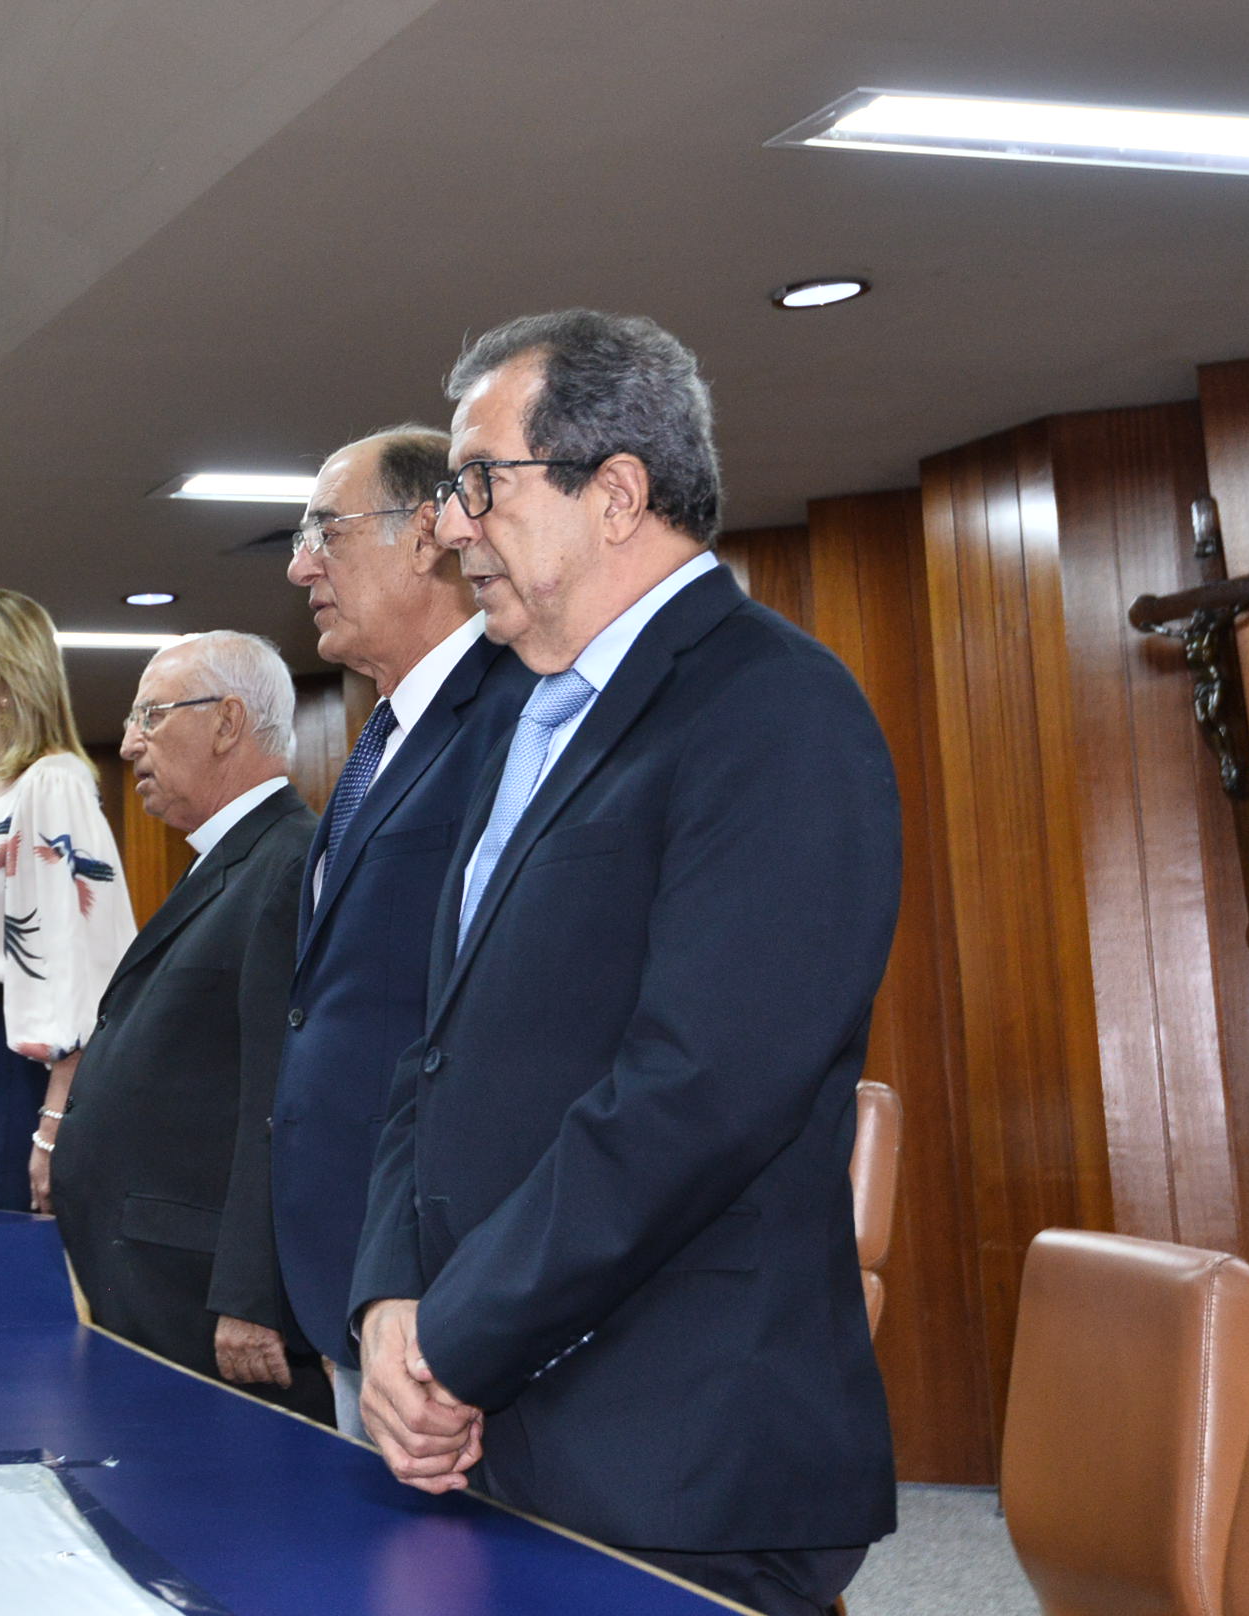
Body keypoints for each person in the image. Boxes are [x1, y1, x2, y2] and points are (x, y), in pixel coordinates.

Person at [352, 310, 901, 1616]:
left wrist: (453, 1340)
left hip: (678, 1455)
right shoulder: (521, 721)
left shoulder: (775, 709)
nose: (451, 526)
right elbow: (436, 1048)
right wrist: (389, 1296)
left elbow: (699, 1091)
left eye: (479, 481)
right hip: (495, 1427)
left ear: (614, 494)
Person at [256, 423, 525, 1439]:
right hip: (350, 1262)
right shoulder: (382, 735)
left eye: (324, 532)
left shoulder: (513, 715)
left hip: (440, 1267)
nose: (299, 567)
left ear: (425, 537)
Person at [51, 634, 327, 1419]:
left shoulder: (287, 865)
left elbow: (282, 1096)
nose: (129, 742)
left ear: (227, 722)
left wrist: (252, 1289)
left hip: (204, 1291)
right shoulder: (226, 861)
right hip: (156, 1272)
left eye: (152, 716)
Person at [0, 589, 135, 1215]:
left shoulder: (52, 783)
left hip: (29, 1070)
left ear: (10, 677)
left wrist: (54, 1120)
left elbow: (84, 966)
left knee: (17, 1253)